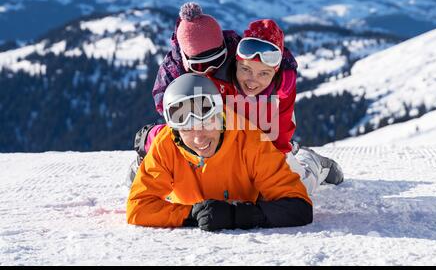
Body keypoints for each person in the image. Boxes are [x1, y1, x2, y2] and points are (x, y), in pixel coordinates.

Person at [126, 2, 343, 193]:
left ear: (227, 51)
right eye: (200, 66)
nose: (210, 70)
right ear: (185, 60)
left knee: (290, 186)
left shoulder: (243, 63)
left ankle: (312, 163)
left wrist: (272, 157)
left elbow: (278, 124)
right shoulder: (175, 74)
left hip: (253, 131)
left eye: (217, 60)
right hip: (214, 134)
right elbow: (176, 123)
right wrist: (155, 152)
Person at [127, 74, 313, 231]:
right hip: (186, 196)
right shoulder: (166, 144)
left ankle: (311, 162)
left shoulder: (250, 140)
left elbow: (299, 207)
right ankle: (140, 166)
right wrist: (192, 214)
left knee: (305, 178)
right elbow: (138, 207)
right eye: (187, 130)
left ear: (219, 114)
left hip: (259, 192)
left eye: (206, 123)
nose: (199, 139)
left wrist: (235, 215)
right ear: (175, 128)